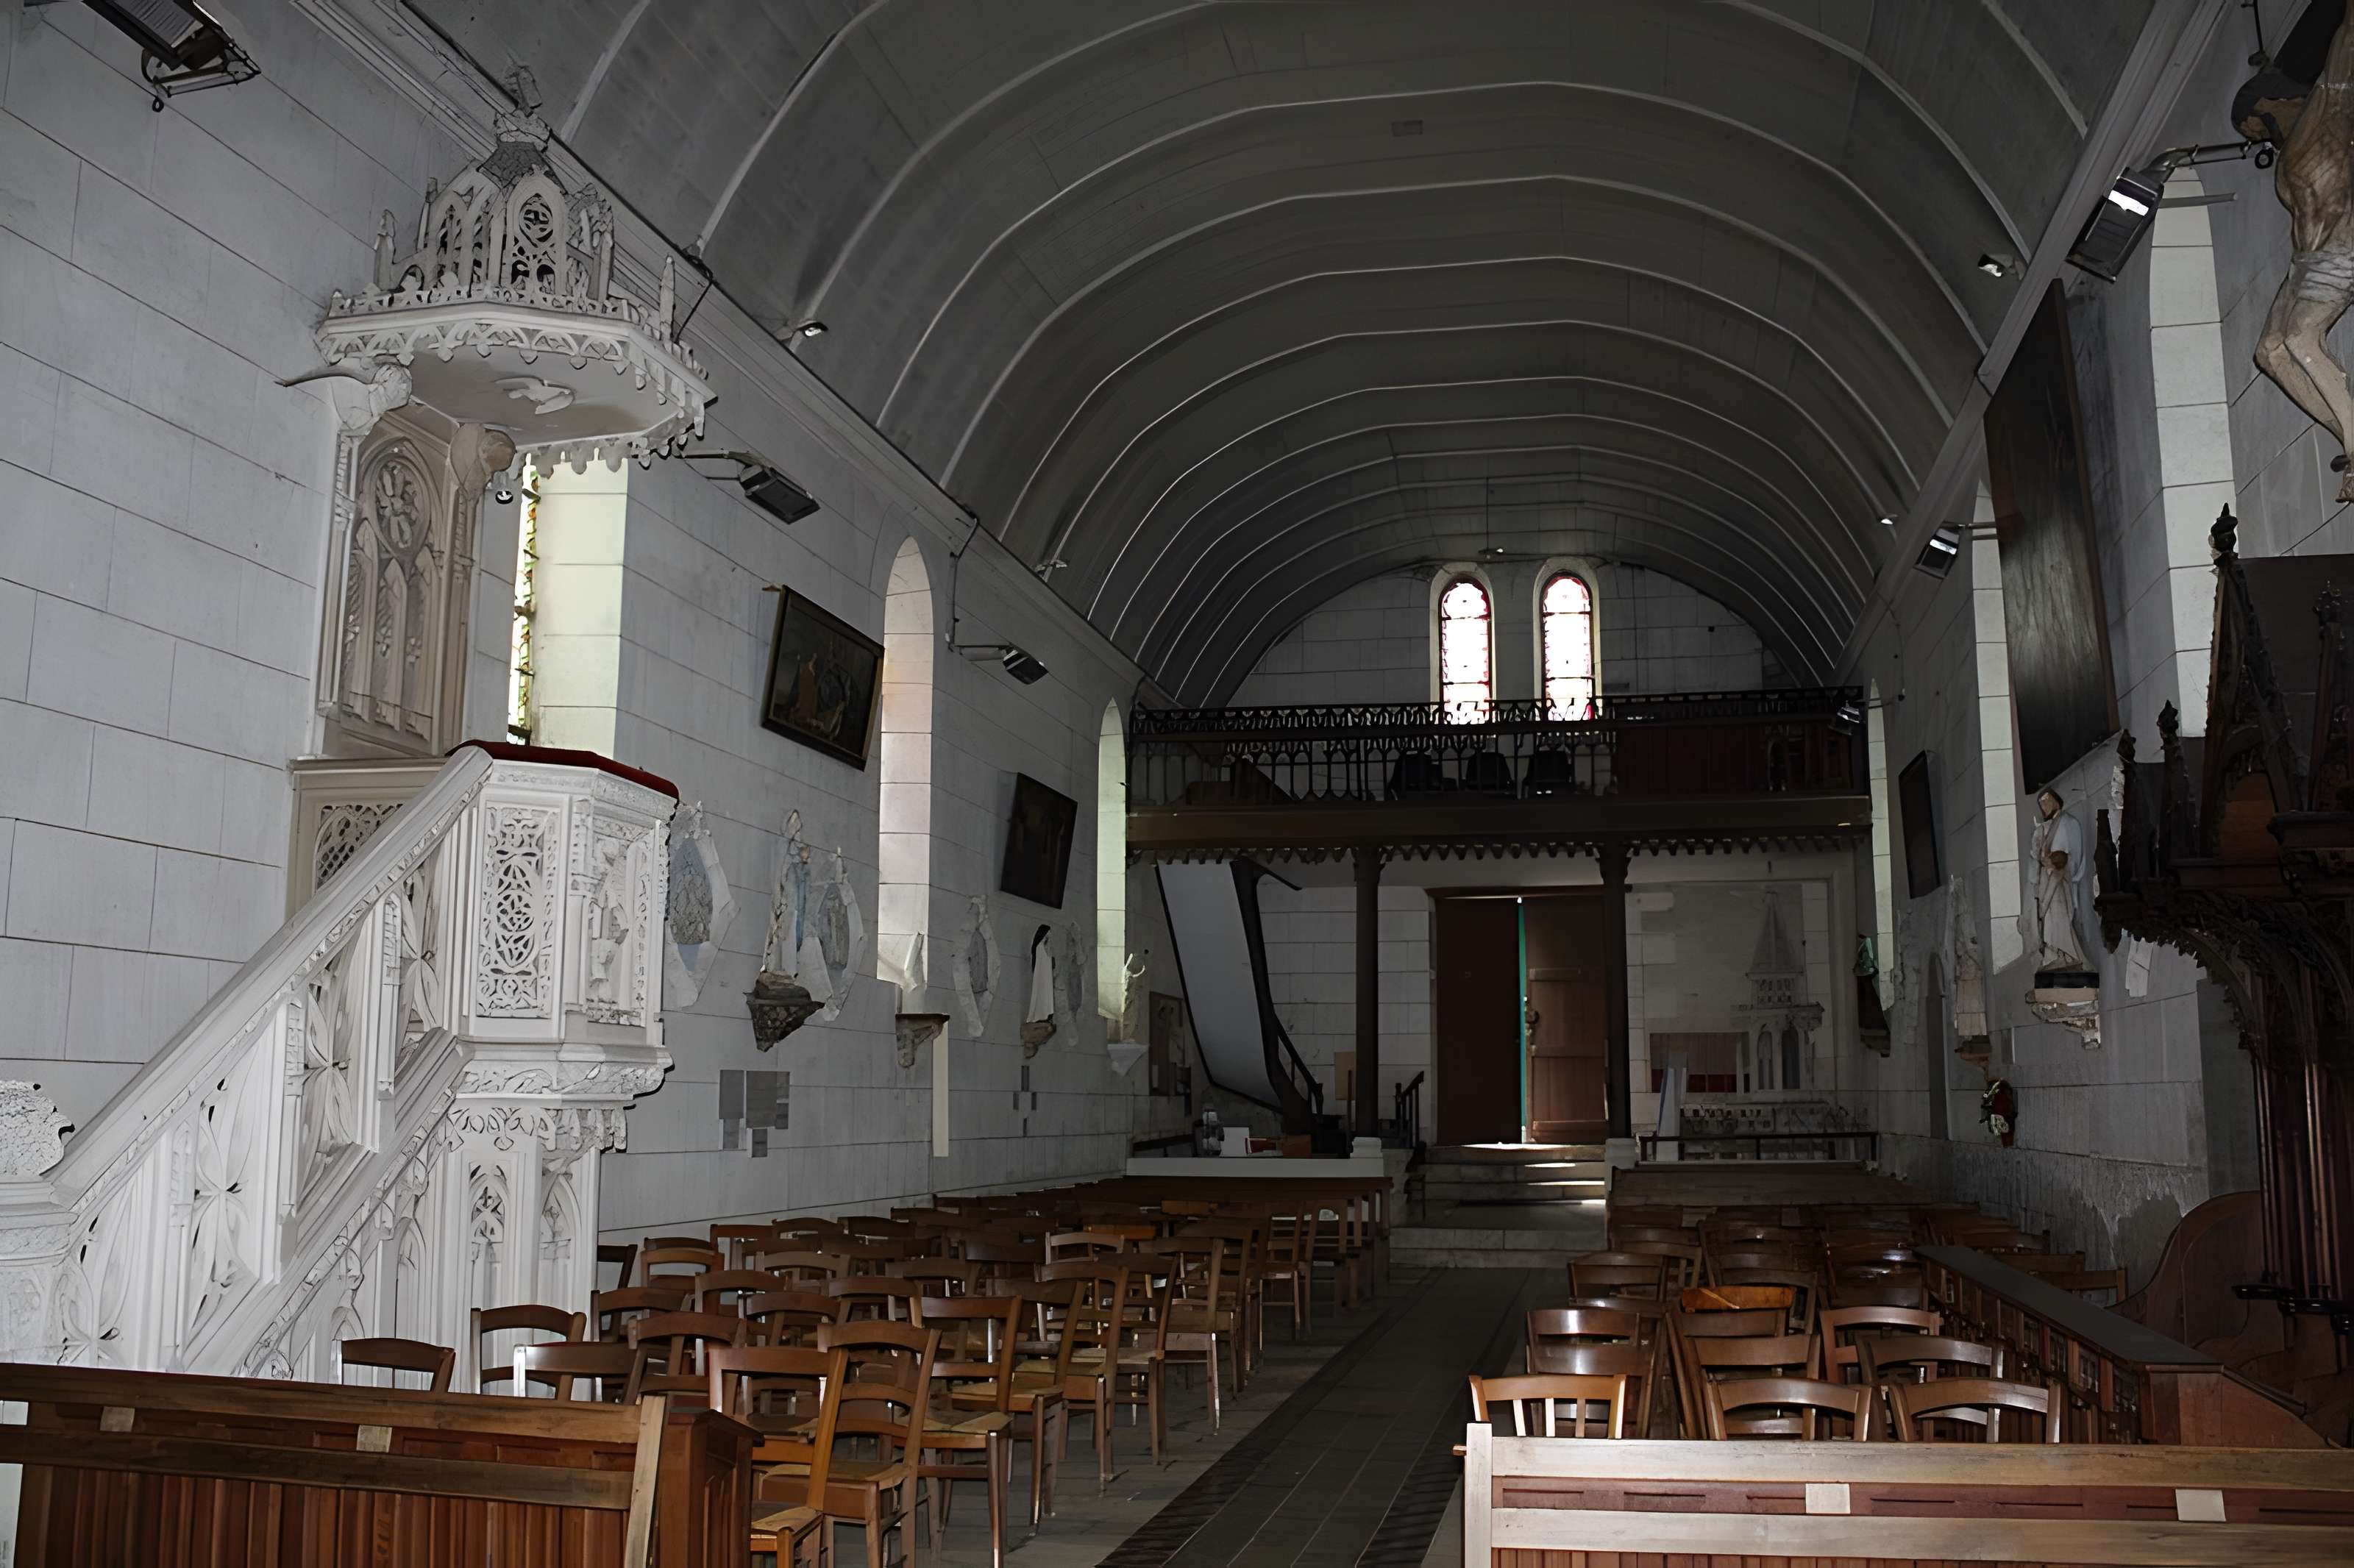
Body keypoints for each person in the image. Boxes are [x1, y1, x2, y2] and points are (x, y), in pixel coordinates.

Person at [2240, 18, 2354, 500]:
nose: (2253, 136)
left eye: (2252, 123)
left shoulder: (2326, 111)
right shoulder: (2290, 156)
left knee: (2301, 338)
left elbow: (2343, 54)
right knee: (2269, 351)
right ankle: (2347, 431)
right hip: (2306, 261)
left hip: (2341, 248)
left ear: (2274, 105)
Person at [2032, 788, 2087, 973]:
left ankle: (2068, 955)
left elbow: (2072, 855)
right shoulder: (2051, 826)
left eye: (2046, 801)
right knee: (2050, 921)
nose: (2044, 806)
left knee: (2059, 919)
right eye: (2041, 804)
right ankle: (2056, 956)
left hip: (2060, 882)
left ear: (2056, 801)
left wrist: (2058, 862)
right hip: (2050, 880)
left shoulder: (2067, 822)